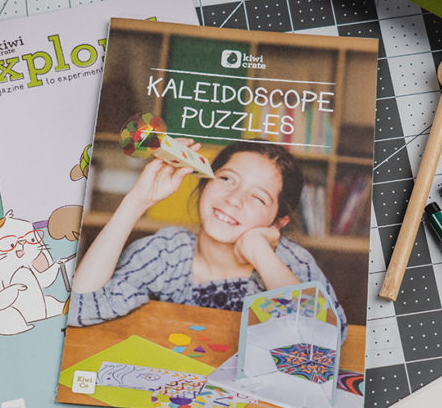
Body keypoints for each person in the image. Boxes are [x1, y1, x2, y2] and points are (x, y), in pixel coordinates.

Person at [67, 140, 346, 334]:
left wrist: (260, 252)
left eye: (258, 197)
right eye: (226, 179)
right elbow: (79, 309)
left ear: (279, 221)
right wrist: (136, 202)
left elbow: (324, 340)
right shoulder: (166, 251)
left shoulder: (289, 263)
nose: (234, 199)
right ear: (204, 184)